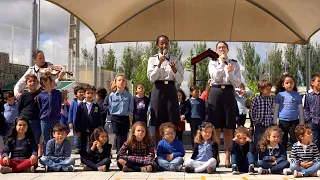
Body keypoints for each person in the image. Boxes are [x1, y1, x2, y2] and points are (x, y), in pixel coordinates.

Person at [207, 41, 241, 167]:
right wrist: (221, 63)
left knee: (228, 127)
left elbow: (237, 82)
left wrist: (230, 72)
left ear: (227, 49)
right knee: (215, 126)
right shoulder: (212, 62)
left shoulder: (234, 63)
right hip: (215, 92)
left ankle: (227, 155)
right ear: (216, 50)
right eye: (219, 47)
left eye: (223, 47)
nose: (221, 49)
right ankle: (216, 155)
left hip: (228, 93)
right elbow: (215, 77)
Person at [147, 35, 184, 145]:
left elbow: (180, 79)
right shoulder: (152, 59)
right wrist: (159, 64)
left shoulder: (175, 59)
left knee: (171, 120)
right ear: (157, 45)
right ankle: (159, 149)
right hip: (158, 89)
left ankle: (172, 147)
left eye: (166, 43)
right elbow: (151, 78)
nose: (164, 46)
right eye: (161, 43)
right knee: (158, 121)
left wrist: (174, 69)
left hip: (170, 89)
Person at [274, 74, 304, 150]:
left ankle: (296, 156)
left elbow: (300, 109)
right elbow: (276, 109)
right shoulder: (279, 95)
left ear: (294, 84)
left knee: (295, 139)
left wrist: (302, 122)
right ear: (283, 84)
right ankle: (282, 157)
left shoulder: (297, 95)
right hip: (283, 121)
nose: (289, 84)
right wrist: (275, 121)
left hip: (294, 121)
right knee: (282, 140)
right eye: (287, 83)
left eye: (291, 82)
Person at [37, 72, 62, 155]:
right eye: (49, 80)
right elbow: (40, 107)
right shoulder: (40, 95)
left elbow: (59, 106)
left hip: (55, 119)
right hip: (45, 120)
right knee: (46, 139)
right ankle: (46, 156)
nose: (52, 81)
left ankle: (56, 155)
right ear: (43, 82)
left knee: (57, 138)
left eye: (52, 79)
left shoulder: (58, 93)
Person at [74, 85, 103, 157]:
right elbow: (77, 118)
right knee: (83, 144)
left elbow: (99, 118)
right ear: (84, 94)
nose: (90, 95)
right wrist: (77, 130)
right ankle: (83, 159)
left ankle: (91, 158)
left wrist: (100, 129)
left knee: (92, 144)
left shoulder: (96, 106)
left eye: (92, 93)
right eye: (88, 93)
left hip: (93, 129)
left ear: (94, 94)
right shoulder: (80, 105)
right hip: (83, 128)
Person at [17, 74, 42, 156]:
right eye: (30, 81)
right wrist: (20, 119)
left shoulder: (40, 95)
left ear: (37, 82)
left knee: (37, 139)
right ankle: (25, 154)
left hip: (37, 120)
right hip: (25, 120)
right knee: (25, 138)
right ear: (26, 83)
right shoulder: (23, 95)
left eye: (34, 81)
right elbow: (19, 108)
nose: (32, 83)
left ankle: (38, 155)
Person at [108, 74, 132, 152]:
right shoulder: (112, 95)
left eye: (123, 80)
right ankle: (119, 153)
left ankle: (123, 153)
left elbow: (131, 108)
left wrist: (127, 113)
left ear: (125, 83)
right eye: (119, 80)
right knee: (118, 136)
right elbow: (110, 107)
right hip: (115, 118)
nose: (121, 82)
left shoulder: (129, 95)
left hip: (125, 118)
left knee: (124, 136)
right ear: (115, 82)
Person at [304, 73, 320, 149]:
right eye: (318, 81)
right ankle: (315, 158)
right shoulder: (308, 96)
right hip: (313, 122)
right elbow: (306, 108)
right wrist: (309, 119)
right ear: (312, 83)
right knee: (314, 141)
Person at [68, 86, 85, 154]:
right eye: (79, 92)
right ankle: (77, 148)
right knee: (76, 136)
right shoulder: (74, 103)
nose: (81, 93)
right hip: (76, 123)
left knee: (84, 135)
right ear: (76, 94)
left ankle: (84, 147)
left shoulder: (86, 101)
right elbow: (70, 112)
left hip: (84, 122)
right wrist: (70, 122)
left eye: (82, 92)